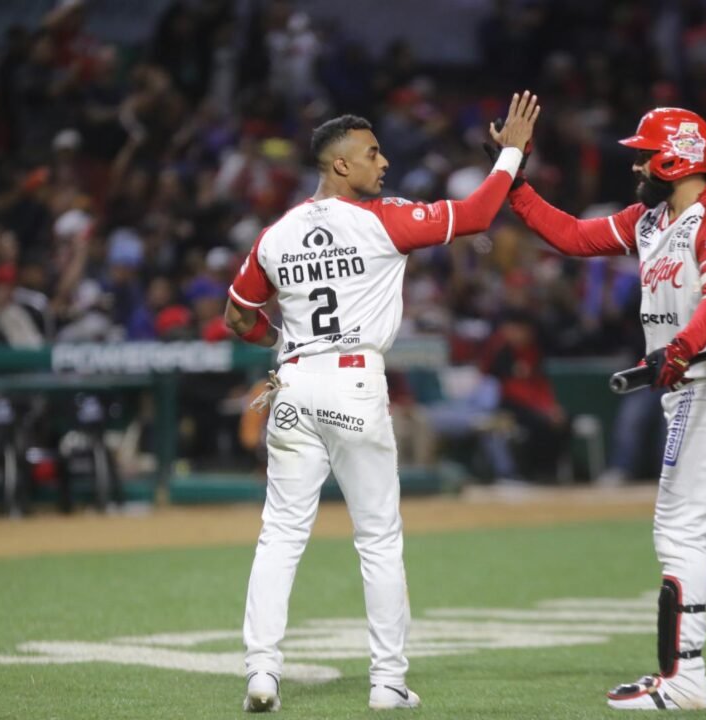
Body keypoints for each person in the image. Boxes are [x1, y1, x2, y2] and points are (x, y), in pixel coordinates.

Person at [224, 91, 540, 712]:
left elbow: (237, 315)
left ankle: (262, 672)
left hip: (292, 382)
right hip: (353, 381)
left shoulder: (277, 233)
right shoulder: (381, 218)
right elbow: (476, 216)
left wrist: (281, 338)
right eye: (372, 154)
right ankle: (388, 682)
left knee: (280, 535)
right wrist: (510, 156)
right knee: (378, 538)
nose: (385, 162)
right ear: (340, 165)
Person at [503, 106, 706, 710]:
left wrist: (679, 349)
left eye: (645, 152)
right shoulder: (651, 220)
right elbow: (573, 236)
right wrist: (515, 181)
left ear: (675, 159)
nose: (635, 161)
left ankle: (685, 679)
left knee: (675, 528)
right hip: (698, 390)